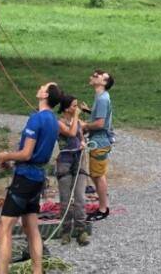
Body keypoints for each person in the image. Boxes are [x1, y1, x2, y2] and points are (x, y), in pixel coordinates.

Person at [0, 82, 62, 274]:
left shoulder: (36, 119)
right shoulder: (53, 121)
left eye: (43, 87)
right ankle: (37, 271)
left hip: (24, 178)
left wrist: (6, 155)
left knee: (5, 229)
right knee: (31, 226)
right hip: (38, 178)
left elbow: (26, 154)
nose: (39, 87)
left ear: (45, 95)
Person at [56, 94, 90, 245]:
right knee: (65, 200)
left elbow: (80, 134)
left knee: (80, 198)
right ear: (66, 108)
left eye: (77, 105)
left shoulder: (77, 121)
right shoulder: (59, 122)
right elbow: (70, 133)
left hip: (79, 160)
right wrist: (76, 118)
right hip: (65, 161)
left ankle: (81, 230)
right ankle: (65, 231)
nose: (76, 108)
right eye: (74, 106)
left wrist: (83, 142)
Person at [83, 69, 115, 221]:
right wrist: (89, 111)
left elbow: (101, 123)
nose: (94, 75)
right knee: (96, 175)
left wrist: (85, 126)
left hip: (100, 142)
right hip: (99, 141)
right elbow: (103, 116)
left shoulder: (102, 98)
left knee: (98, 176)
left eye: (98, 75)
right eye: (94, 74)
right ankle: (103, 205)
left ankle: (103, 209)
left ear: (104, 83)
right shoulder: (100, 96)